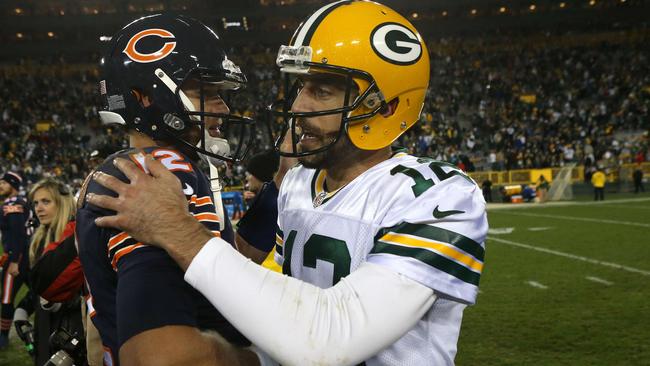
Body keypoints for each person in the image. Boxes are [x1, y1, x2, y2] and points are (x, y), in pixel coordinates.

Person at [88, 1, 488, 365]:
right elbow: (277, 308)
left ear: (383, 106)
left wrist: (180, 232)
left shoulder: (440, 194)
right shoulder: (298, 184)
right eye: (300, 87)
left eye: (322, 90)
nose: (298, 106)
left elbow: (334, 340)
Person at [76, 14, 259, 366]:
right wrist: (258, 359)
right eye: (206, 93)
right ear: (146, 97)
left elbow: (98, 325)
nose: (224, 108)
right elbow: (163, 357)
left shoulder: (128, 168)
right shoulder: (160, 173)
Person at [13, 178, 84, 365]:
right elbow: (37, 290)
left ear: (62, 203)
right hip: (44, 329)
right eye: (36, 203)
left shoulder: (76, 238)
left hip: (71, 330)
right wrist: (23, 309)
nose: (38, 208)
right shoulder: (38, 239)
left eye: (46, 201)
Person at [0, 171, 30, 349]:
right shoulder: (19, 203)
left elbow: (18, 236)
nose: (0, 186)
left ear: (13, 185)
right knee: (36, 289)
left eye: (3, 183)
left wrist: (14, 260)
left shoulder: (13, 205)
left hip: (16, 258)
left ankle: (3, 336)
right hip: (24, 257)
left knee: (7, 297)